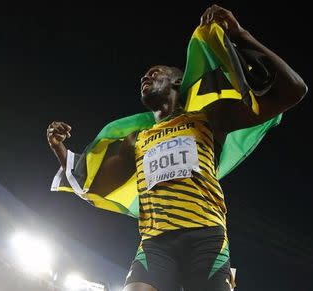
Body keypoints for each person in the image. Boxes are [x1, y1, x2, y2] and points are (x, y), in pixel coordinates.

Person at [47, 5, 307, 291]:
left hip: (205, 239)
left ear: (178, 82)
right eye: (143, 77)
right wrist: (60, 149)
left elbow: (293, 90)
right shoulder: (137, 138)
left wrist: (240, 34)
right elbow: (92, 183)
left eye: (155, 73)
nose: (145, 78)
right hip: (155, 244)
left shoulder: (209, 119)